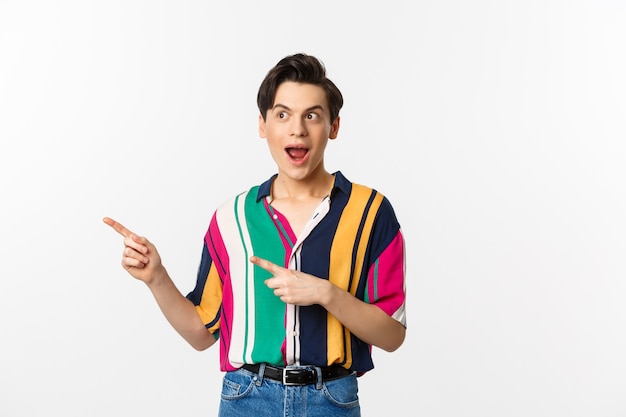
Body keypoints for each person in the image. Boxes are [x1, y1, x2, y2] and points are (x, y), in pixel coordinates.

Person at [103, 52, 407, 417]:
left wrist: (326, 294)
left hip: (333, 400)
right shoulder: (231, 218)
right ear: (263, 125)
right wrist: (156, 278)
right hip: (247, 399)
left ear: (334, 126)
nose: (297, 129)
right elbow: (202, 333)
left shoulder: (371, 212)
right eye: (282, 115)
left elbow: (392, 334)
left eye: (312, 115)